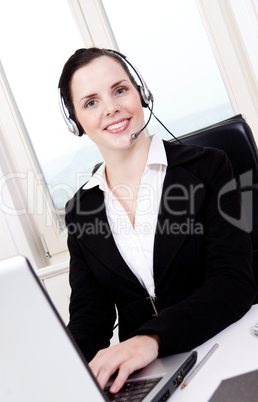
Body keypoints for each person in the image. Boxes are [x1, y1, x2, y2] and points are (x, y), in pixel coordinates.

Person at [58, 48, 257, 394]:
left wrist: (151, 337)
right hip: (148, 374)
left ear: (141, 94)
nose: (110, 108)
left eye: (120, 90)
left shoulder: (209, 168)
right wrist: (60, 374)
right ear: (76, 121)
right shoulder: (82, 210)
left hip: (226, 343)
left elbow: (234, 282)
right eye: (90, 102)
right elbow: (90, 318)